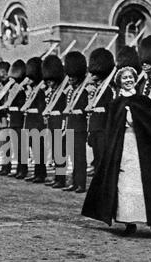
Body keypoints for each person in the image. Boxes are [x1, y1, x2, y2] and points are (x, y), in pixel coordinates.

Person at [82, 66, 151, 237]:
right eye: (124, 78)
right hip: (123, 148)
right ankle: (129, 222)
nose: (128, 80)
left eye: (130, 77)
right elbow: (110, 128)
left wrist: (135, 121)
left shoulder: (144, 101)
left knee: (145, 183)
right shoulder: (115, 104)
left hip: (143, 150)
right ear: (119, 82)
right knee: (125, 184)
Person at [86, 48, 116, 173]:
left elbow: (109, 109)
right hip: (94, 126)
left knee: (103, 158)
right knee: (97, 157)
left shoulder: (108, 89)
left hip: (103, 127)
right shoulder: (96, 88)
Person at [62, 51, 88, 193]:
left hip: (80, 127)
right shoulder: (71, 91)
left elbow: (85, 108)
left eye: (72, 77)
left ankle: (81, 184)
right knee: (73, 157)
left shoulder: (84, 90)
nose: (70, 79)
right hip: (71, 126)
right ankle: (74, 182)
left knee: (80, 157)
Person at [42, 55, 67, 188]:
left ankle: (61, 179)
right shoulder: (52, 91)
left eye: (51, 80)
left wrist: (63, 122)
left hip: (59, 121)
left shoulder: (63, 91)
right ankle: (57, 177)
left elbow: (65, 108)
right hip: (52, 121)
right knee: (55, 151)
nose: (49, 82)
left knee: (60, 152)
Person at [23, 57, 47, 183]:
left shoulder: (40, 91)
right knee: (34, 150)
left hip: (37, 124)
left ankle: (41, 174)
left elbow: (40, 109)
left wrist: (27, 110)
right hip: (30, 123)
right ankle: (37, 173)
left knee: (39, 150)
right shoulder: (32, 90)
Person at [6, 60, 28, 178]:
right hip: (13, 121)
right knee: (16, 148)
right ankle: (19, 170)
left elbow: (21, 107)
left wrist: (10, 108)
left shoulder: (21, 90)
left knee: (21, 148)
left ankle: (22, 170)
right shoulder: (13, 89)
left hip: (20, 121)